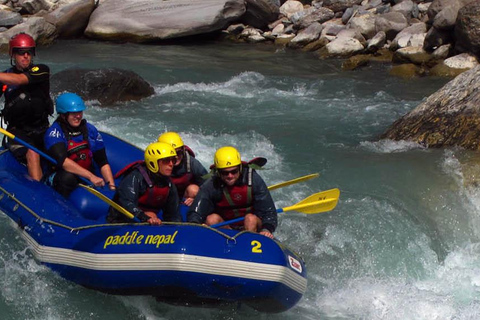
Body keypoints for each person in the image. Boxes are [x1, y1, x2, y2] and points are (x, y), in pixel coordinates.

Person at [188, 146, 277, 238]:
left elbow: (269, 212)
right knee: (212, 219)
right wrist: (197, 225)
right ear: (218, 172)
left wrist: (266, 229)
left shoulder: (253, 179)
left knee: (250, 219)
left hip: (252, 226)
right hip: (227, 228)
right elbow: (195, 213)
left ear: (240, 168)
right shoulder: (211, 184)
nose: (230, 176)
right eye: (225, 173)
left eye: (234, 171)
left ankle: (248, 244)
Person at [0, 32, 53, 181]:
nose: (26, 56)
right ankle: (40, 194)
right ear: (13, 54)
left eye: (29, 52)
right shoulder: (4, 77)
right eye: (21, 53)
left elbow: (18, 80)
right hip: (18, 133)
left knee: (62, 151)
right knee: (32, 153)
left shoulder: (41, 70)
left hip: (43, 129)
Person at [44, 92, 115, 197]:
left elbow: (102, 161)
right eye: (74, 113)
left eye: (80, 112)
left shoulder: (90, 130)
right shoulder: (54, 133)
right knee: (67, 178)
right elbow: (63, 161)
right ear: (63, 115)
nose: (78, 116)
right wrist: (91, 177)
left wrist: (112, 187)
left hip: (84, 175)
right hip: (61, 176)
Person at [107, 142, 182, 225]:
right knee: (151, 214)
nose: (171, 164)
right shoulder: (135, 177)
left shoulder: (169, 184)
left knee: (152, 215)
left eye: (173, 160)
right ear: (153, 162)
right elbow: (127, 204)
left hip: (146, 221)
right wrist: (145, 217)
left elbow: (173, 215)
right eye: (166, 160)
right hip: (121, 222)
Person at [157, 131, 207, 206]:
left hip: (184, 199)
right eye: (172, 154)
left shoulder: (192, 164)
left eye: (178, 152)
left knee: (193, 190)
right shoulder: (155, 165)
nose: (176, 157)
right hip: (162, 198)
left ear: (183, 150)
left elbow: (208, 186)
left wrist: (196, 199)